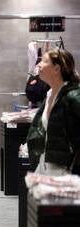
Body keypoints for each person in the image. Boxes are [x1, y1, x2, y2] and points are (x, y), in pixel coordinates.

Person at [27, 48, 80, 176]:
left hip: (65, 172)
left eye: (45, 61)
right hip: (45, 167)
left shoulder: (73, 96)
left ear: (56, 69)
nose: (39, 64)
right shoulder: (50, 94)